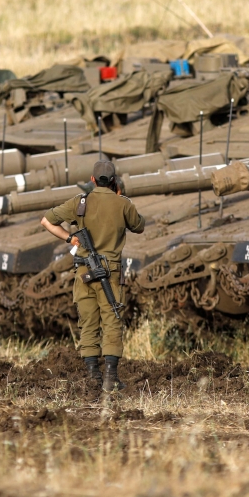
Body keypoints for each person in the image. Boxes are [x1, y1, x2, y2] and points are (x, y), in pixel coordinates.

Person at [40, 160, 144, 392]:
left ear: (92, 179)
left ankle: (93, 376)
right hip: (111, 272)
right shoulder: (122, 204)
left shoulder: (80, 202)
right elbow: (139, 226)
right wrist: (121, 198)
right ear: (114, 181)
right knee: (112, 321)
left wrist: (69, 239)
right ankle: (110, 377)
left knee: (87, 323)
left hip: (84, 271)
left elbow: (46, 221)